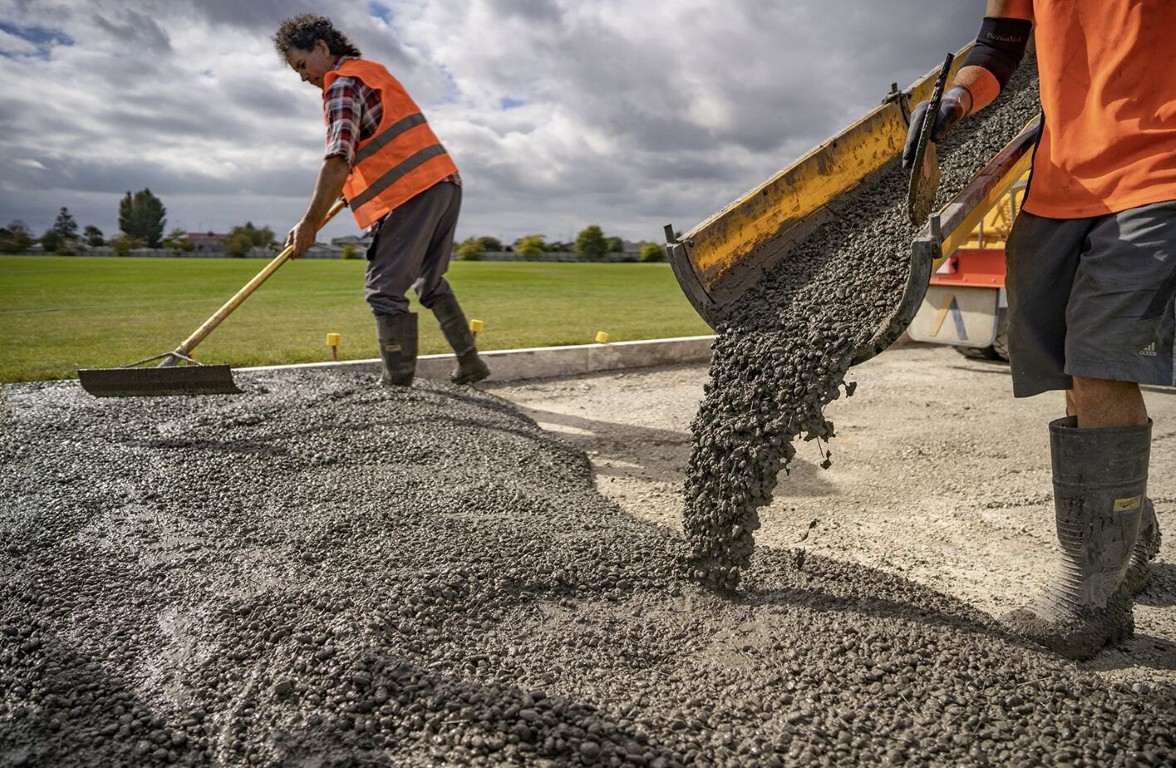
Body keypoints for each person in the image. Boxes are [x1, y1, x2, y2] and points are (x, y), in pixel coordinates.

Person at [903, 0, 1173, 660]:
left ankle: (1093, 588)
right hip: (1057, 185)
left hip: (1158, 169)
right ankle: (1127, 532)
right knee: (1068, 371)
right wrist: (956, 102)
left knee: (1099, 359)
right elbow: (998, 47)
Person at [272, 14, 489, 388]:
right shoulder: (371, 71)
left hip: (414, 191)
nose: (303, 77)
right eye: (296, 72)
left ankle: (397, 386)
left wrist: (309, 223)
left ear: (323, 48)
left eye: (303, 65)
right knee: (430, 281)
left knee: (383, 290)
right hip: (443, 181)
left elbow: (339, 157)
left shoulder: (340, 84)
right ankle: (470, 364)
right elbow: (376, 146)